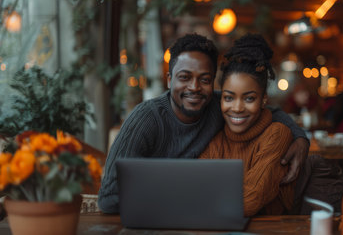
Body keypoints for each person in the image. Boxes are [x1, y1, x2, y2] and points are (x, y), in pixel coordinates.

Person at [98, 33, 309, 214]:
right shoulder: (146, 119)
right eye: (184, 77)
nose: (195, 87)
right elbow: (108, 198)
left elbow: (268, 111)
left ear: (212, 83)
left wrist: (300, 139)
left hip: (199, 217)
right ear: (170, 79)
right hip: (154, 218)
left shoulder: (218, 106)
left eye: (205, 79)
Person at [199, 34, 295, 216]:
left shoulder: (277, 134)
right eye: (228, 97)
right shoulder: (216, 140)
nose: (236, 108)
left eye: (249, 98)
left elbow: (250, 200)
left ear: (264, 99)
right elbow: (196, 188)